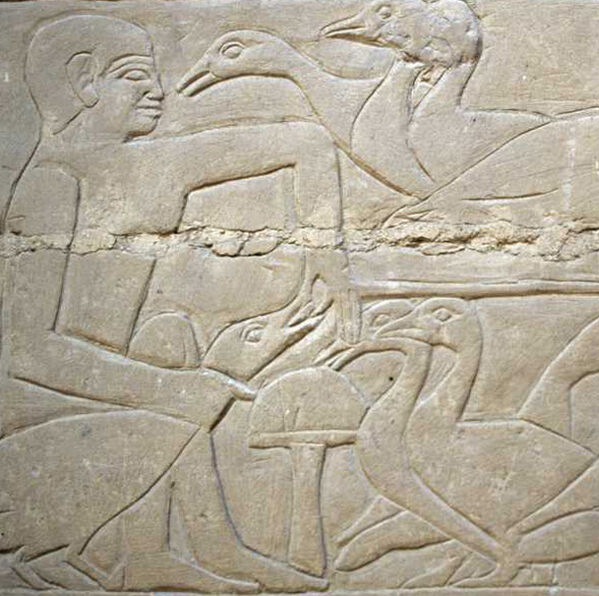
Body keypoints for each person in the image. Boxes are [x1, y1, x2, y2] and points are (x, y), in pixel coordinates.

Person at [0, 14, 350, 592]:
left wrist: (326, 254)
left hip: (106, 379)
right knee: (182, 381)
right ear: (84, 81)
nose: (158, 90)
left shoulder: (153, 165)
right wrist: (176, 389)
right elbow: (28, 352)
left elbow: (305, 143)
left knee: (168, 334)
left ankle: (170, 550)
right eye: (135, 75)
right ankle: (78, 552)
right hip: (43, 400)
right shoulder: (53, 183)